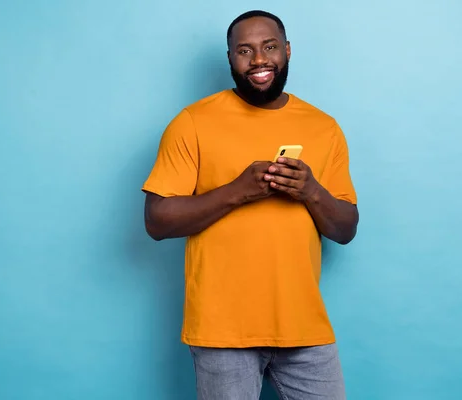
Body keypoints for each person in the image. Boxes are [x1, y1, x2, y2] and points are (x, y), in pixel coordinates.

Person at [142, 9, 359, 400]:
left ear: (288, 51)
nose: (259, 60)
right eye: (244, 50)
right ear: (229, 58)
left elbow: (345, 229)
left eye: (269, 47)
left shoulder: (324, 128)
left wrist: (310, 190)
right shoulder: (192, 122)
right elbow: (157, 221)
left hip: (304, 326)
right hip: (221, 330)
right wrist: (238, 190)